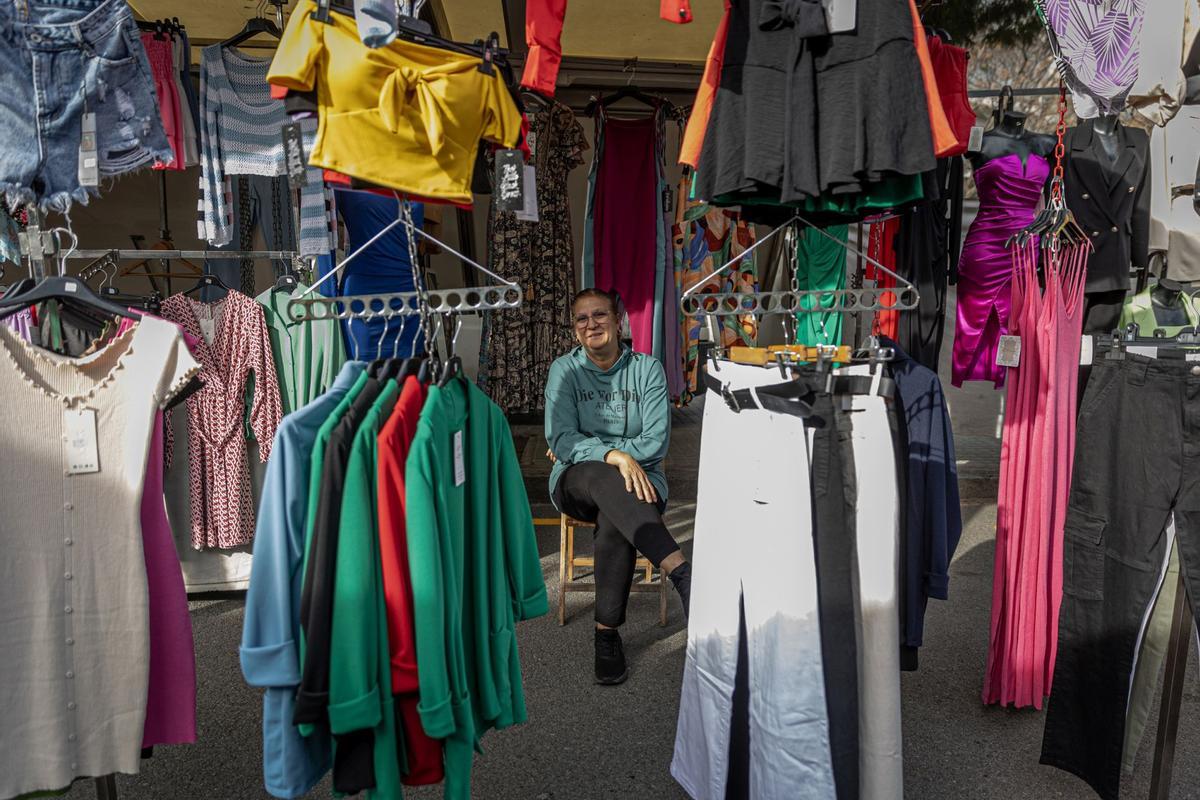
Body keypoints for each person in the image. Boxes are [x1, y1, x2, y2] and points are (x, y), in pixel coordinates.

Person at [544, 288, 692, 685]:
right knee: (602, 474)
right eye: (581, 318)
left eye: (599, 315)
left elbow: (656, 441)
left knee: (614, 516)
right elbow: (560, 438)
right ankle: (682, 573)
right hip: (577, 485)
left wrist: (592, 449)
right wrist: (615, 457)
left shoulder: (647, 369)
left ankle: (606, 636)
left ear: (618, 321)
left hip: (643, 482)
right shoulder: (565, 370)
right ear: (574, 329)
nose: (591, 324)